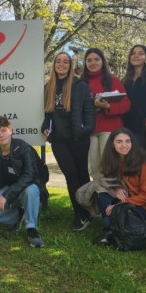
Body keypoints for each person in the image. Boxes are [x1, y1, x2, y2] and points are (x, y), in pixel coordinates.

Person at [41, 52, 95, 231]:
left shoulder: (80, 86)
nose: (62, 64)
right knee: (71, 176)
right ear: (54, 64)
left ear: (70, 65)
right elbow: (47, 114)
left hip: (79, 138)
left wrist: (85, 129)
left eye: (66, 62)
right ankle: (79, 215)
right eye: (59, 61)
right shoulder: (48, 87)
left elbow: (89, 112)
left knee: (82, 176)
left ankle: (88, 211)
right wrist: (45, 127)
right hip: (59, 141)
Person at [76, 128, 146, 245]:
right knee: (101, 193)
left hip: (141, 205)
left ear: (132, 143)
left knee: (115, 221)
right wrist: (116, 187)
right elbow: (109, 180)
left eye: (128, 141)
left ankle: (114, 230)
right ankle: (112, 229)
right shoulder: (112, 161)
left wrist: (121, 204)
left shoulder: (143, 165)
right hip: (122, 200)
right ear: (112, 144)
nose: (124, 145)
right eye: (119, 142)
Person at [0, 116, 46, 248]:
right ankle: (18, 216)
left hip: (29, 187)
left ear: (10, 130)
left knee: (31, 189)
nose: (1, 135)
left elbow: (30, 175)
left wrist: (7, 196)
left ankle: (32, 230)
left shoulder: (23, 147)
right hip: (10, 189)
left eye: (3, 130)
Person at [80, 48, 131, 181]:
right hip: (89, 130)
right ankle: (100, 199)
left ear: (102, 61)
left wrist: (108, 106)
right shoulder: (80, 83)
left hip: (110, 129)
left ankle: (116, 199)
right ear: (85, 63)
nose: (93, 63)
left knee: (111, 168)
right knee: (95, 169)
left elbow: (126, 104)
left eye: (96, 59)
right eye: (89, 60)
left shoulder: (113, 80)